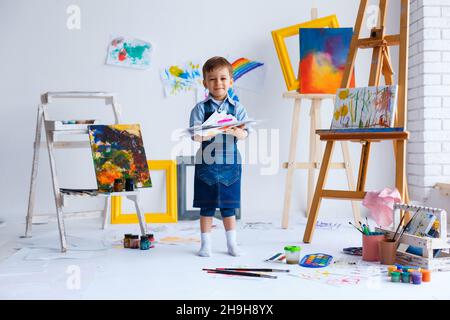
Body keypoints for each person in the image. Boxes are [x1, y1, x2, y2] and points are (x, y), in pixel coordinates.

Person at [189, 56, 250, 257]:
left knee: (228, 206)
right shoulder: (200, 108)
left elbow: (245, 134)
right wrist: (212, 130)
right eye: (212, 79)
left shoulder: (237, 108)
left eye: (223, 78)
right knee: (206, 206)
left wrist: (234, 130)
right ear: (205, 83)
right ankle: (205, 245)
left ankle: (232, 244)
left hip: (230, 164)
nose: (218, 83)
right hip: (206, 164)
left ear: (231, 82)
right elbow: (196, 136)